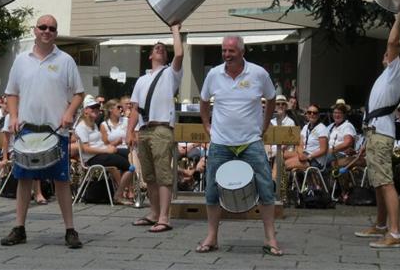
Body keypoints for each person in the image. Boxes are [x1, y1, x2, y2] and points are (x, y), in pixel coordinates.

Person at [0, 14, 84, 248]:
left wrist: (69, 113)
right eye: (43, 27)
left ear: (56, 33)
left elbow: (79, 93)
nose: (47, 31)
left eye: (52, 28)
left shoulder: (66, 60)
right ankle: (19, 228)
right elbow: (12, 92)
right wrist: (13, 116)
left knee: (61, 180)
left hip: (55, 131)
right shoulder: (21, 60)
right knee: (24, 179)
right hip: (27, 129)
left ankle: (70, 230)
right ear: (35, 30)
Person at [196, 35, 282, 257]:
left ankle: (270, 238)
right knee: (212, 189)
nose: (226, 55)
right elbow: (203, 101)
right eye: (224, 51)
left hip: (251, 141)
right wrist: (207, 126)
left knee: (265, 187)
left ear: (242, 52)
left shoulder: (259, 73)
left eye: (231, 51)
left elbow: (271, 99)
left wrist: (264, 126)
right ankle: (212, 237)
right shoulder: (214, 74)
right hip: (220, 142)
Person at [354, 8, 400, 249]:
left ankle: (394, 233)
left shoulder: (395, 71)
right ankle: (380, 225)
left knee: (386, 183)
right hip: (374, 134)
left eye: (389, 53)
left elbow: (392, 41)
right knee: (379, 182)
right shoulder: (388, 75)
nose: (385, 54)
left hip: (381, 135)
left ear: (395, 57)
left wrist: (398, 17)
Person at [126, 23, 183, 233]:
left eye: (163, 49)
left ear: (166, 57)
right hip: (144, 129)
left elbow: (179, 53)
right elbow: (135, 109)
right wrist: (129, 131)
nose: (159, 49)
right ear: (150, 56)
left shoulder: (170, 73)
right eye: (156, 48)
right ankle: (153, 213)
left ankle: (164, 217)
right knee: (149, 175)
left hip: (161, 128)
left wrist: (175, 30)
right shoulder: (142, 80)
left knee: (163, 174)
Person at [76, 96, 134, 205]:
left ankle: (125, 190)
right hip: (93, 158)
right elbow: (86, 149)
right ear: (86, 110)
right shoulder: (81, 126)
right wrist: (106, 151)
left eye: (97, 108)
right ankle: (119, 194)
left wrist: (109, 147)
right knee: (130, 167)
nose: (96, 110)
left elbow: (101, 142)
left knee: (130, 154)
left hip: (101, 153)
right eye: (92, 108)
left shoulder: (93, 124)